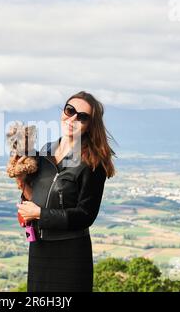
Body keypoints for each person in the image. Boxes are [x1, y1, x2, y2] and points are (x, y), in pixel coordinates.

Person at [16, 91, 116, 292]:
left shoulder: (93, 163)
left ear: (90, 124)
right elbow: (33, 196)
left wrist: (40, 214)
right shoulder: (45, 151)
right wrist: (22, 181)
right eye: (70, 110)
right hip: (39, 248)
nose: (73, 119)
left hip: (70, 251)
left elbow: (86, 215)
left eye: (82, 117)